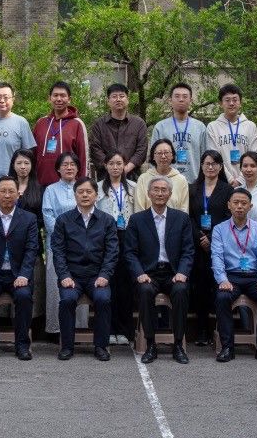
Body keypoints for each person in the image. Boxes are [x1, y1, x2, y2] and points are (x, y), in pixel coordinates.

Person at [125, 176, 194, 364]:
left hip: (173, 272)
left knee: (181, 290)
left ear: (170, 194)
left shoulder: (181, 219)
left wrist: (182, 272)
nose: (160, 193)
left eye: (164, 190)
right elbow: (130, 253)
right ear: (148, 193)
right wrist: (140, 273)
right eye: (156, 189)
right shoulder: (137, 219)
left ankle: (178, 345)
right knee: (145, 291)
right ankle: (150, 344)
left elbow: (188, 250)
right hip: (149, 273)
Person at [51, 177, 118, 361]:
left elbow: (112, 252)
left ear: (96, 195)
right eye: (80, 192)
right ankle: (67, 346)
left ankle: (101, 346)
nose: (85, 195)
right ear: (75, 195)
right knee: (67, 300)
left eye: (89, 192)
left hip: (97, 276)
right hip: (72, 276)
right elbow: (58, 251)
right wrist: (64, 275)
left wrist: (105, 275)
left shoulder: (107, 220)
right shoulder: (63, 220)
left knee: (103, 299)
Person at [0, 176, 41, 360]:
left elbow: (31, 249)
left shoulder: (29, 219)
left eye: (11, 191)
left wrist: (24, 275)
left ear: (18, 195)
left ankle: (22, 345)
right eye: (3, 191)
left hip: (18, 274)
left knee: (24, 296)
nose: (7, 195)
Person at [211, 188, 257, 363]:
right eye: (236, 202)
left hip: (254, 277)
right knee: (222, 297)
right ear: (229, 205)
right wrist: (222, 279)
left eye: (244, 203)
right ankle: (227, 347)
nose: (239, 206)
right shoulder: (219, 229)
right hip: (230, 276)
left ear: (250, 206)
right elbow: (217, 257)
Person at [188, 150, 233, 345]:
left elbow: (229, 217)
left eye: (214, 163)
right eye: (207, 163)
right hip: (197, 244)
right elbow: (189, 216)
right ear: (201, 166)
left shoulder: (227, 190)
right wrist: (200, 237)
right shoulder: (193, 188)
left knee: (217, 286)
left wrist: (212, 238)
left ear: (221, 167)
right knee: (200, 287)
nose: (210, 167)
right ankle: (201, 330)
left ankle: (220, 330)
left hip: (220, 243)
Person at [95, 152, 138, 346]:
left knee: (125, 285)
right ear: (105, 165)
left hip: (127, 237)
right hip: (105, 239)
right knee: (108, 283)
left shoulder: (134, 187)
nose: (115, 167)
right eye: (111, 163)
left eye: (119, 163)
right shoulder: (97, 188)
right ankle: (109, 329)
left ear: (124, 165)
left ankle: (124, 330)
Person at [41, 152, 83, 338]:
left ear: (78, 167)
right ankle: (55, 329)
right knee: (55, 286)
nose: (69, 167)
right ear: (58, 168)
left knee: (79, 284)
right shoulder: (50, 190)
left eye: (73, 164)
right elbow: (48, 216)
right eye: (65, 164)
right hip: (56, 245)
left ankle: (79, 327)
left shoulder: (83, 188)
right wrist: (64, 237)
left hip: (82, 246)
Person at [9, 148, 45, 325]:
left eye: (26, 163)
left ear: (32, 166)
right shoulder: (7, 187)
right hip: (8, 244)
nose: (22, 167)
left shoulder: (40, 189)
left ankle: (33, 323)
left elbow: (42, 219)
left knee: (33, 284)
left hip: (32, 243)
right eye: (19, 163)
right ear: (13, 165)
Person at [33, 80, 89, 186]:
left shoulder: (77, 124)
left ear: (69, 99)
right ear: (49, 98)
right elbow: (33, 154)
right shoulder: (41, 123)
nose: (59, 99)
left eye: (63, 95)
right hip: (41, 184)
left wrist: (82, 185)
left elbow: (83, 157)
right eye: (55, 95)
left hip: (68, 185)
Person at [150, 82, 207, 184]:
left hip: (194, 182)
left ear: (191, 101)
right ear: (170, 101)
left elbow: (205, 157)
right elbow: (153, 158)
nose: (181, 99)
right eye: (177, 96)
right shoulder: (160, 127)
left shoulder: (200, 127)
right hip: (167, 183)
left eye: (185, 96)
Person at [89, 83, 148, 181]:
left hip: (132, 177)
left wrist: (126, 169)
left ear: (128, 100)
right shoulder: (99, 124)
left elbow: (141, 150)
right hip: (105, 178)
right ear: (108, 101)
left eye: (122, 96)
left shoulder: (139, 124)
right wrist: (112, 168)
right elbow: (95, 149)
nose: (118, 99)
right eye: (114, 96)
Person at [0, 82, 36, 181]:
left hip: (13, 181)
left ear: (13, 99)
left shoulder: (21, 122)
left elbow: (29, 155)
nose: (2, 101)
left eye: (6, 97)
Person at [204, 83, 257, 187]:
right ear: (221, 103)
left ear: (240, 102)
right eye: (227, 100)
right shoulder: (213, 127)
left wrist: (240, 179)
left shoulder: (250, 126)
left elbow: (255, 155)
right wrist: (229, 179)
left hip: (247, 182)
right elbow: (214, 157)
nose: (231, 103)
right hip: (222, 182)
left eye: (235, 100)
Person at [135, 140, 190, 212]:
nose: (163, 156)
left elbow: (184, 209)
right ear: (153, 156)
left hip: (175, 219)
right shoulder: (143, 178)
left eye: (166, 152)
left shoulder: (181, 180)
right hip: (147, 219)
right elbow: (139, 209)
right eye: (159, 153)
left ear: (172, 155)